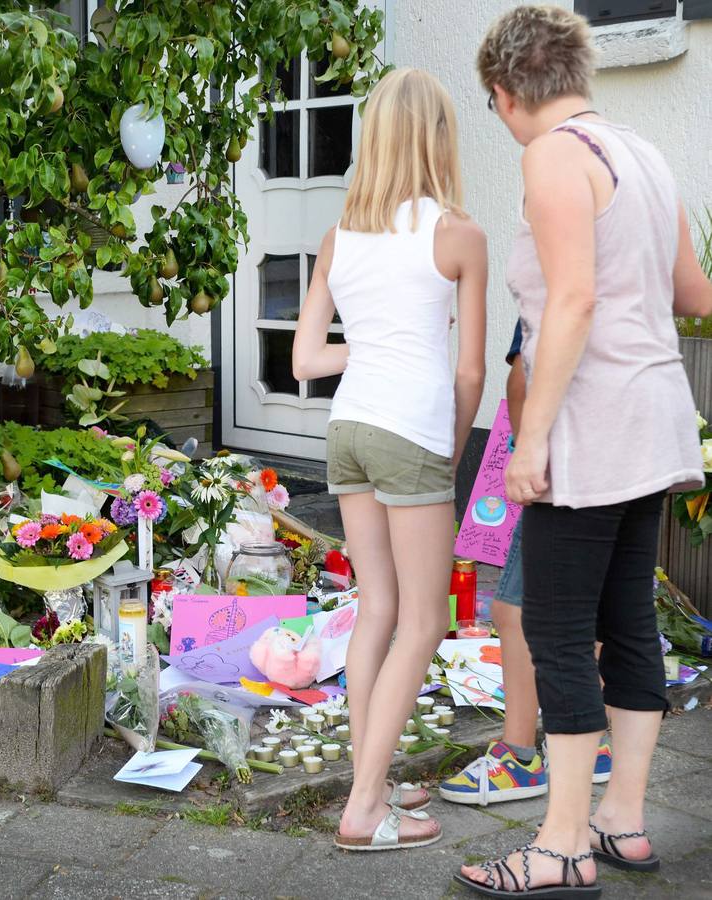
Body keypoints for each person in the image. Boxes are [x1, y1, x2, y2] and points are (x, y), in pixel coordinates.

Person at [458, 7, 712, 897]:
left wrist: (527, 445)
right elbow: (693, 293)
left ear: (504, 90)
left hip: (590, 426)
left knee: (559, 629)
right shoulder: (638, 151)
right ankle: (623, 822)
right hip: (654, 416)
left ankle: (558, 845)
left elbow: (567, 304)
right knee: (627, 622)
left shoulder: (553, 154)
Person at [292, 67, 487, 851]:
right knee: (422, 622)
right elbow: (468, 372)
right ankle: (365, 805)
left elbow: (305, 359)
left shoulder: (340, 237)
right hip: (410, 431)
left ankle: (365, 779)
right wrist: (451, 441)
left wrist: (367, 347)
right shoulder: (458, 233)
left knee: (376, 611)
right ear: (439, 138)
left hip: (348, 430)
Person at [439, 321, 612, 807]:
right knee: (594, 603)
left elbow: (523, 374)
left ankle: (520, 756)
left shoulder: (556, 272)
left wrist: (523, 450)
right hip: (620, 457)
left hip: (562, 457)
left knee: (514, 607)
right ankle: (592, 746)